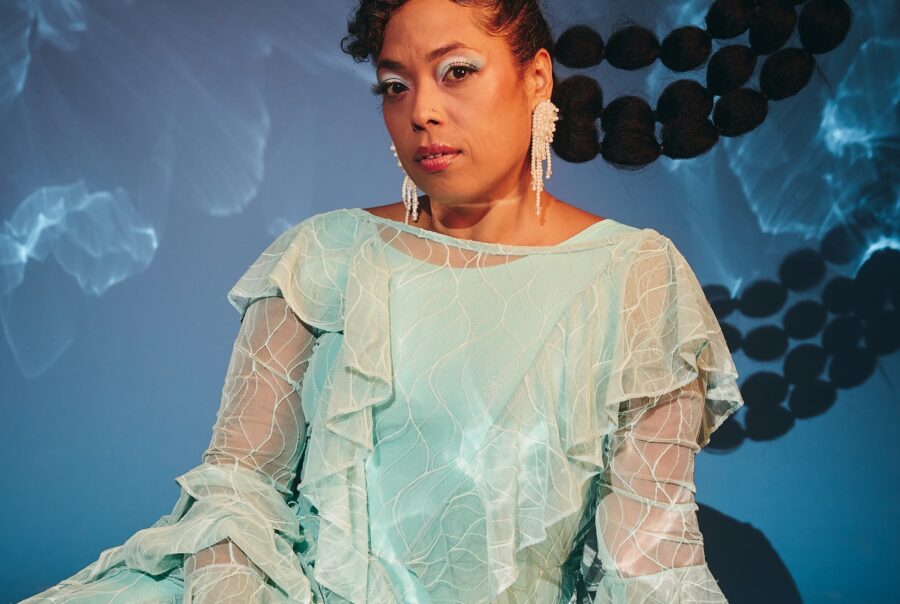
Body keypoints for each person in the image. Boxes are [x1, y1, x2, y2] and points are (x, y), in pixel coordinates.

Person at [23, 0, 852, 602]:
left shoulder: (637, 277)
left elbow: (648, 563)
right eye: (394, 85)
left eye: (457, 72)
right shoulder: (323, 254)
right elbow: (238, 488)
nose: (421, 110)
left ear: (535, 78)